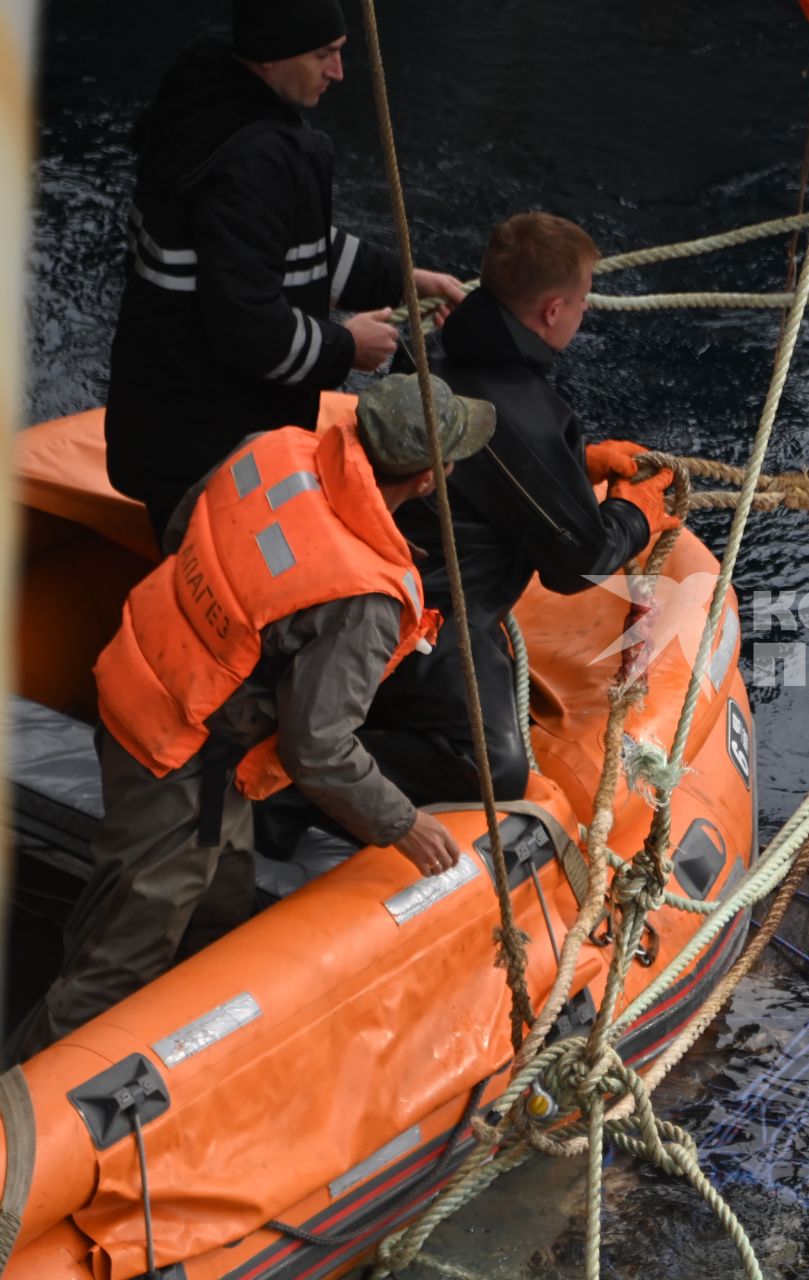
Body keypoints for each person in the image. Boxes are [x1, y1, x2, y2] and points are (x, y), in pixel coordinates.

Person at [5, 373, 495, 1063]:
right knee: (116, 963)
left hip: (149, 685)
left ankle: (205, 1056)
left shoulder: (274, 449)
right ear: (425, 479)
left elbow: (185, 530)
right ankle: (23, 1117)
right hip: (176, 753)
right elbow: (317, 747)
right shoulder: (364, 599)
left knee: (220, 898)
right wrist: (403, 825)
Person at [104, 0, 469, 543]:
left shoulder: (205, 111)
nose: (338, 72)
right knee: (235, 583)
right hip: (205, 450)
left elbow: (283, 251)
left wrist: (403, 281)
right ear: (271, 58)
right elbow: (248, 327)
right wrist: (347, 346)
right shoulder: (249, 160)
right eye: (324, 54)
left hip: (167, 423)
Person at [359, 212, 674, 805]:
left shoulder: (432, 355)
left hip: (380, 572)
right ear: (553, 310)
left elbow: (485, 473)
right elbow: (574, 563)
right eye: (583, 300)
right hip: (429, 617)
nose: (586, 313)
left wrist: (576, 462)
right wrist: (637, 514)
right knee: (493, 770)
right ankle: (306, 775)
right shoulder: (526, 413)